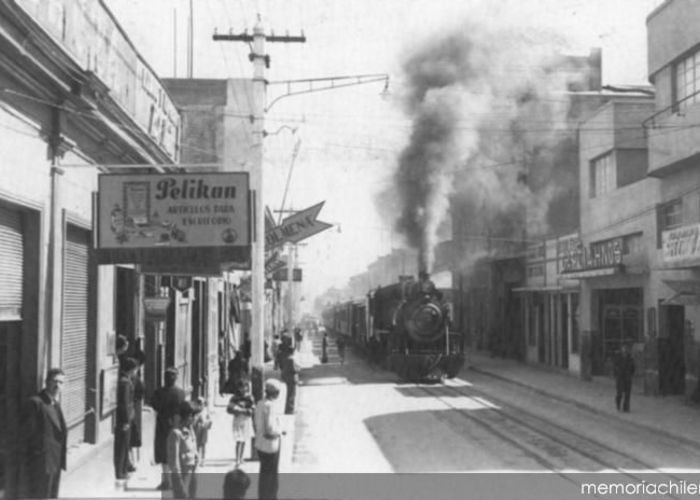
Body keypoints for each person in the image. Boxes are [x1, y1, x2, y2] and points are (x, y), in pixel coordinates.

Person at [23, 368, 67, 499]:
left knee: (52, 495)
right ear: (46, 382)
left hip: (56, 460)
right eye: (54, 381)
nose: (57, 385)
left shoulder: (55, 404)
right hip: (42, 462)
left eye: (61, 382)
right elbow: (28, 434)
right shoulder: (36, 403)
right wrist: (39, 457)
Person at [151, 367, 186, 490]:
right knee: (176, 452)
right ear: (175, 379)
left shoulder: (158, 392)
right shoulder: (181, 393)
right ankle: (176, 480)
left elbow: (154, 406)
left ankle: (166, 481)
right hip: (177, 425)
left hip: (162, 425)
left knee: (163, 453)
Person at [254, 379, 284, 500]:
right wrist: (280, 432)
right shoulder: (270, 406)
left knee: (264, 475)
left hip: (260, 443)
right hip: (270, 445)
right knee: (271, 478)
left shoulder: (260, 403)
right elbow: (270, 428)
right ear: (275, 393)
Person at [167, 401, 199, 499]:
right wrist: (179, 480)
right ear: (184, 416)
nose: (193, 418)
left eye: (194, 415)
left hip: (192, 472)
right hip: (182, 475)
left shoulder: (191, 431)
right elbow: (174, 459)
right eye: (191, 416)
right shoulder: (176, 433)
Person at [114, 357, 137, 488]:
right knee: (122, 446)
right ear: (131, 369)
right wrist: (126, 420)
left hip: (126, 418)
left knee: (125, 444)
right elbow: (124, 403)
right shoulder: (125, 383)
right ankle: (120, 472)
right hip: (124, 419)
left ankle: (123, 469)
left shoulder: (126, 380)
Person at [227, 379, 255, 466]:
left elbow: (253, 409)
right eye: (241, 387)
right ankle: (237, 459)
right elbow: (229, 409)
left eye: (245, 387)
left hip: (246, 420)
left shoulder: (250, 397)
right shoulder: (234, 398)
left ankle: (241, 457)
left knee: (244, 440)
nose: (243, 389)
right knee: (239, 439)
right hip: (238, 420)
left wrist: (248, 411)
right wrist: (236, 410)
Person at [129, 350, 147, 471]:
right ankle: (133, 462)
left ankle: (132, 462)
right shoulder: (134, 378)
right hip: (133, 409)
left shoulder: (133, 378)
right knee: (133, 437)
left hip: (132, 409)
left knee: (132, 438)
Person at [614, 343, 635, 412]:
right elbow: (615, 366)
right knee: (619, 393)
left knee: (627, 394)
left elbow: (633, 367)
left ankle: (626, 408)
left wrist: (630, 374)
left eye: (626, 348)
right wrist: (617, 374)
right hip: (620, 378)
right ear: (621, 349)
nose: (625, 350)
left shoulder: (630, 357)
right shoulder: (618, 356)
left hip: (627, 377)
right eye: (623, 348)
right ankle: (618, 403)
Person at [192, 397, 213, 462]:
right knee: (197, 444)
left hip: (204, 429)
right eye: (199, 404)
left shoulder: (206, 412)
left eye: (202, 404)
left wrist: (208, 423)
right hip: (197, 429)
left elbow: (210, 420)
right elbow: (193, 422)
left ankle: (203, 459)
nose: (201, 406)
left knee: (203, 444)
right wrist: (197, 418)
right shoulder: (195, 412)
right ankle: (197, 459)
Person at [280, 347, 300, 415]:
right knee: (292, 394)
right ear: (292, 352)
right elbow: (293, 369)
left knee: (289, 394)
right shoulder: (292, 359)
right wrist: (298, 368)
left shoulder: (285, 359)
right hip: (291, 378)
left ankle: (288, 409)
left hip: (287, 378)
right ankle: (290, 409)